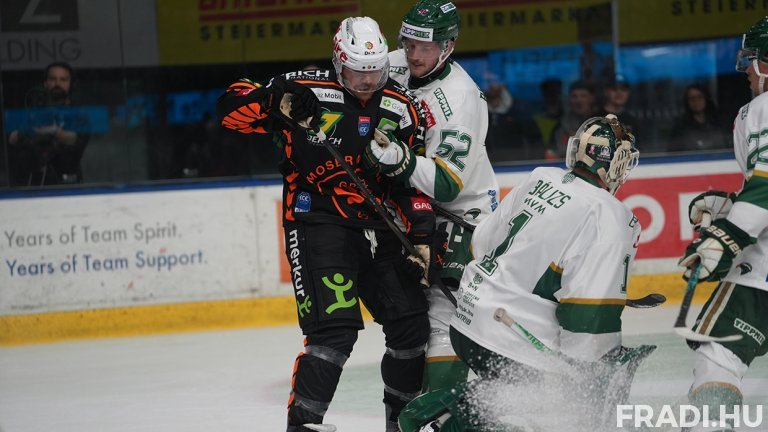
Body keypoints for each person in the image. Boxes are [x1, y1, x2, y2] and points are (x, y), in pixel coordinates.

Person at [217, 17, 434, 432]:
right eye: (357, 71)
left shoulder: (402, 107)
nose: (367, 81)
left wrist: (422, 232)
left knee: (411, 326)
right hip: (317, 222)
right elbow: (229, 110)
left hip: (381, 229)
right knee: (333, 333)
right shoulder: (304, 89)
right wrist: (273, 99)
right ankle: (303, 426)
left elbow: (412, 179)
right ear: (338, 62)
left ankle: (401, 424)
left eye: (375, 71)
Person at [399, 115, 654, 431]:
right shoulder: (612, 216)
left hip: (466, 321)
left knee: (513, 394)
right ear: (614, 163)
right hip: (510, 340)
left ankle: (439, 418)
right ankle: (445, 420)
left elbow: (482, 242)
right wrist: (589, 378)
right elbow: (587, 317)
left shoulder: (541, 177)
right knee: (557, 410)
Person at [381, 0, 500, 393]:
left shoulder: (460, 98)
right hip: (416, 211)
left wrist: (396, 158)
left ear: (447, 46)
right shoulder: (395, 63)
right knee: (409, 326)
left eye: (425, 47)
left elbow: (447, 183)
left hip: (462, 217)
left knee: (444, 321)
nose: (414, 54)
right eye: (409, 43)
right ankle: (411, 410)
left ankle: (444, 411)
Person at [677, 17, 768, 431]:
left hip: (761, 274)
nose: (747, 69)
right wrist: (733, 205)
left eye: (754, 59)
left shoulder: (762, 108)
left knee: (718, 354)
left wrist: (723, 239)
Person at [7, 62, 90, 186]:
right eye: (53, 79)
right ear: (45, 83)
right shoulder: (32, 109)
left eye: (63, 80)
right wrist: (30, 128)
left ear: (71, 83)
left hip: (67, 183)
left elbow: (76, 140)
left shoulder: (78, 113)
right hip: (32, 183)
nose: (57, 84)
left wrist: (54, 131)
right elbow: (11, 139)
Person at [667, 83, 730, 152]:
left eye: (700, 97)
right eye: (692, 98)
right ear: (687, 102)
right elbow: (673, 153)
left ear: (706, 99)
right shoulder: (680, 129)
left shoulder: (719, 123)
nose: (696, 101)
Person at [547, 80, 597, 159]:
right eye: (574, 96)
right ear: (569, 100)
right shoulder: (561, 126)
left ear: (591, 98)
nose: (578, 100)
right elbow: (553, 153)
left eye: (583, 96)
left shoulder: (602, 122)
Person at [597, 76, 640, 141]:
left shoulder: (633, 121)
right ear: (606, 92)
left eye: (623, 89)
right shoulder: (596, 118)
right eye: (614, 89)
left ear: (628, 93)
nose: (619, 93)